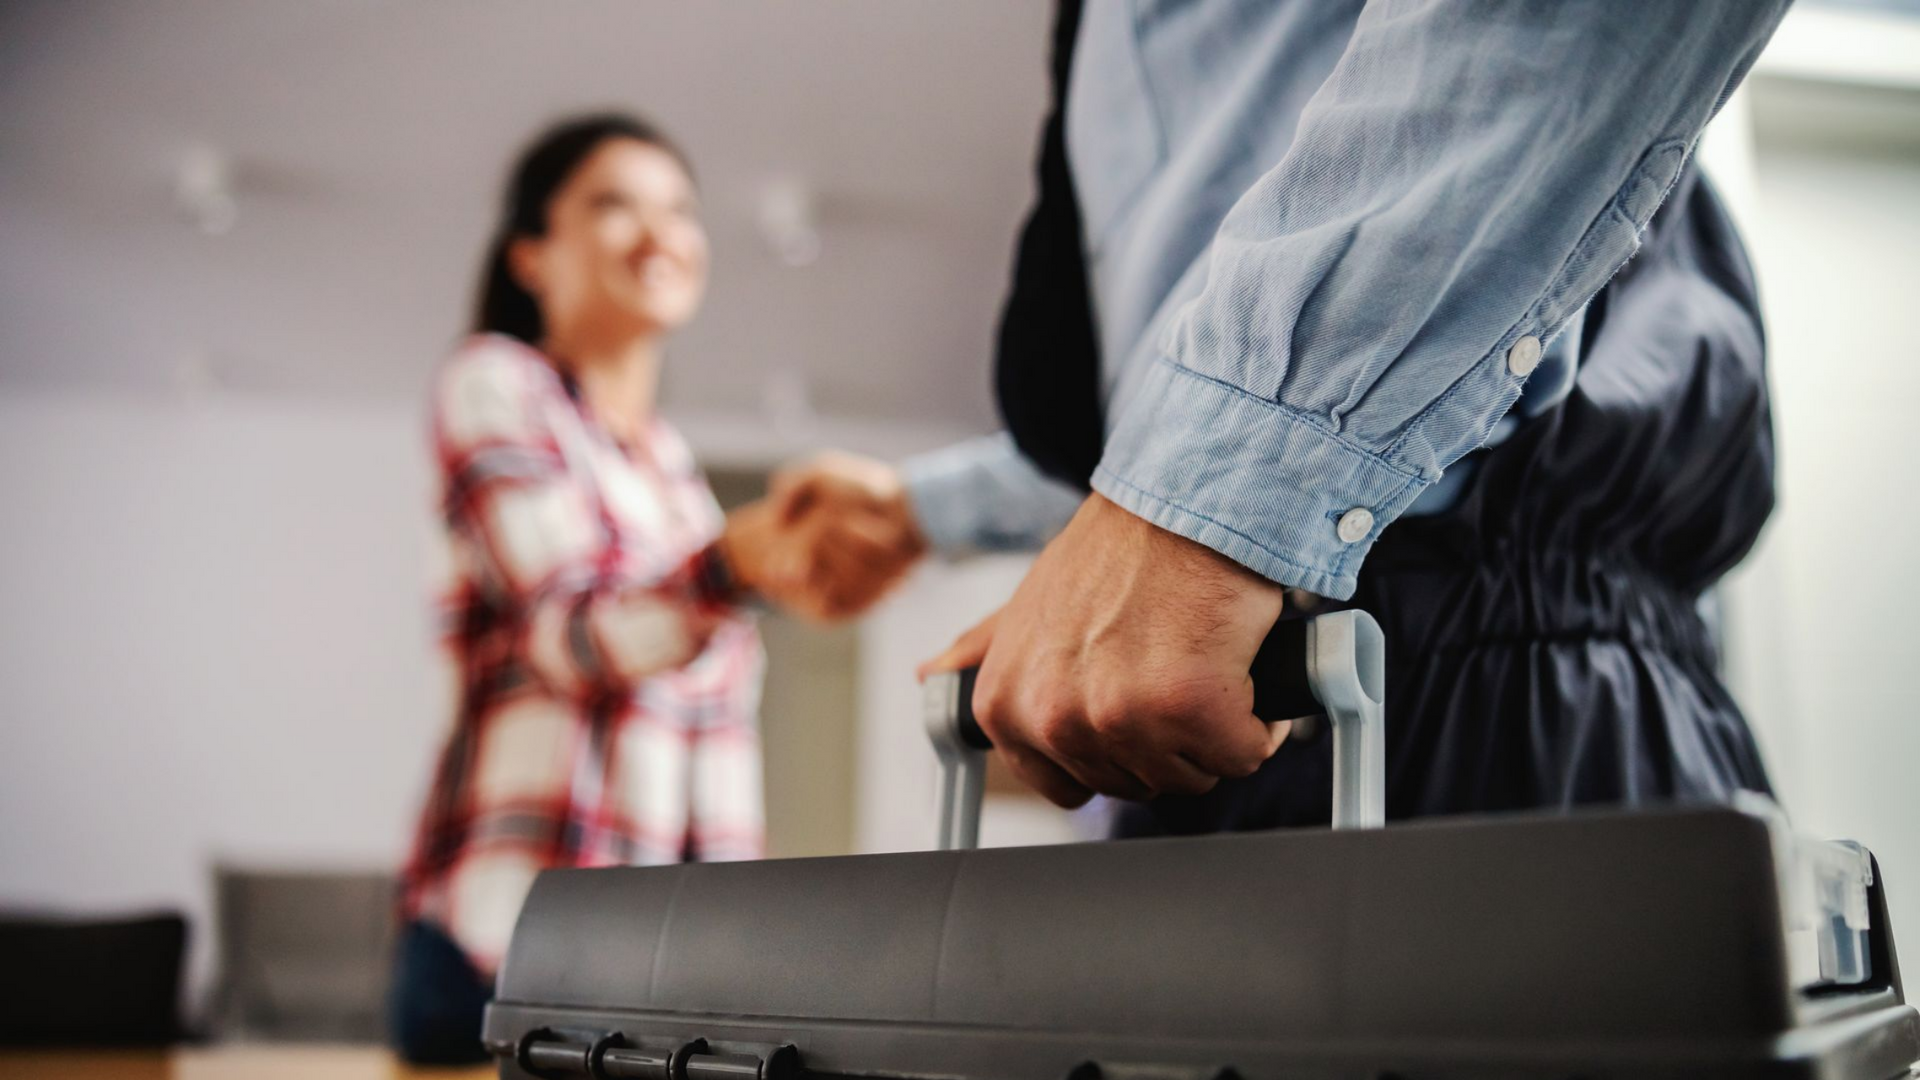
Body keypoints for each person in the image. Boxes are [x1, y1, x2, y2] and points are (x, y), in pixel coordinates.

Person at [781, 1, 1790, 826]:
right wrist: (926, 511)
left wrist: (1190, 505)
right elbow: (1197, 406)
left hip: (1501, 693)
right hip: (1217, 729)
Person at [388, 114, 914, 1064]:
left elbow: (709, 733)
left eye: (679, 209)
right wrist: (740, 565)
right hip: (508, 951)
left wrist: (735, 953)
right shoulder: (494, 383)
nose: (659, 231)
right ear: (531, 256)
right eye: (612, 205)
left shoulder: (672, 469)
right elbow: (573, 632)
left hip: (659, 971)